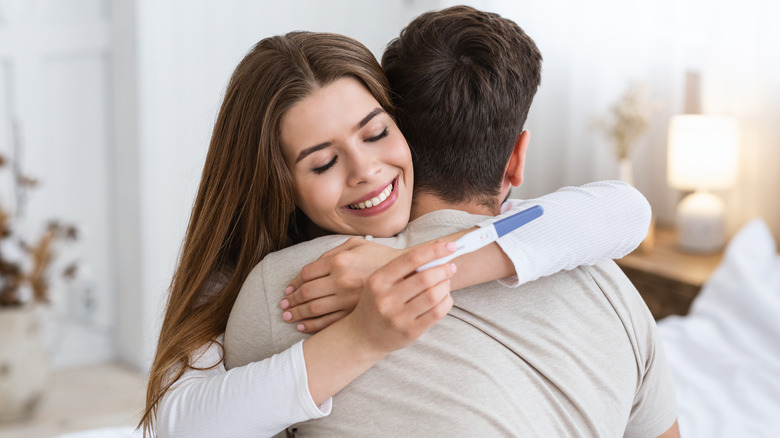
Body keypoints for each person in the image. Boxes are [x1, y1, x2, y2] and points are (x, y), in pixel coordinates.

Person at [142, 27, 650, 438]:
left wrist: (418, 267)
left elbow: (625, 210)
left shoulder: (494, 229)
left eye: (376, 133)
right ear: (279, 184)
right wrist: (364, 337)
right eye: (322, 163)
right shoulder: (251, 283)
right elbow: (181, 425)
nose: (365, 169)